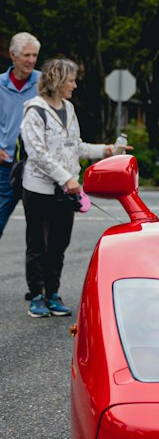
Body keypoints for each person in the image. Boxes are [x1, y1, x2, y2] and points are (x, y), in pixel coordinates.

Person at [20, 58, 115, 318]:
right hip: (39, 188)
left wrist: (105, 150)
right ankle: (37, 295)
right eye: (71, 80)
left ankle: (53, 293)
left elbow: (76, 146)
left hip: (66, 191)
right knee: (38, 243)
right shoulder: (35, 111)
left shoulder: (69, 109)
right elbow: (37, 153)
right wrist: (65, 177)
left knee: (59, 243)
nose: (74, 85)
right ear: (58, 81)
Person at [0, 31, 41, 242]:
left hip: (36, 169)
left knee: (38, 233)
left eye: (34, 55)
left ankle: (38, 276)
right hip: (4, 168)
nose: (31, 60)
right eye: (26, 55)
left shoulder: (43, 83)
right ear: (12, 55)